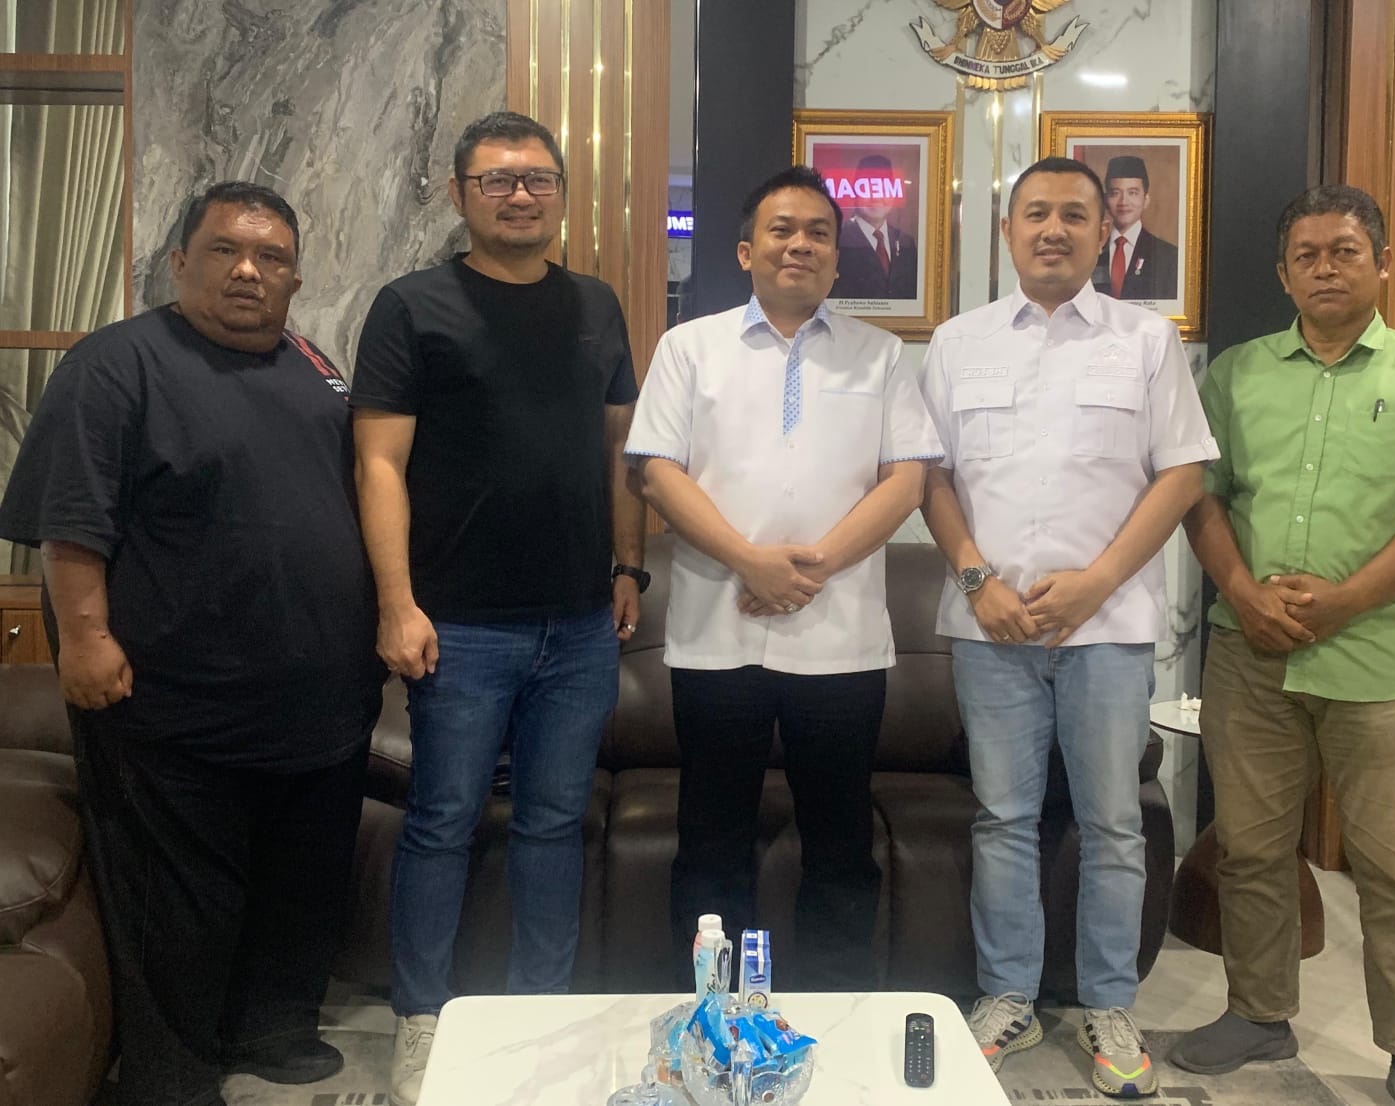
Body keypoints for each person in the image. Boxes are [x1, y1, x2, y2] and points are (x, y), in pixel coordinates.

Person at [0, 181, 385, 1106]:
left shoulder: (313, 366)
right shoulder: (114, 365)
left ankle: (275, 1029)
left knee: (300, 880)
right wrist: (84, 639)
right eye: (225, 250)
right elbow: (71, 521)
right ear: (179, 262)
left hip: (316, 702)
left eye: (272, 257)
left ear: (295, 278)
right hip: (173, 702)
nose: (249, 271)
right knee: (177, 898)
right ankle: (172, 1073)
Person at [349, 110, 643, 1106]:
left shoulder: (596, 305)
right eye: (497, 180)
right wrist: (396, 602)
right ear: (459, 194)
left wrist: (630, 566)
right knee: (441, 821)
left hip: (579, 624)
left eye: (537, 178)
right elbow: (378, 463)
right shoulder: (412, 306)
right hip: (461, 624)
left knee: (554, 825)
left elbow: (618, 447)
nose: (520, 194)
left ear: (560, 191)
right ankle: (422, 1017)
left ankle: (538, 1013)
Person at [1169, 185, 1395, 1106]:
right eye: (1305, 255)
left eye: (1344, 251)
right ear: (1283, 274)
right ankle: (1258, 1011)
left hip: (1377, 663)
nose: (1324, 268)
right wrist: (1240, 593)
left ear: (1381, 263)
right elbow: (1200, 496)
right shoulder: (1236, 374)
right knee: (1250, 850)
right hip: (1250, 654)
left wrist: (1343, 601)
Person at [919, 156, 1217, 1098]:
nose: (1053, 229)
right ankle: (1005, 994)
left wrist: (1096, 583)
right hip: (991, 629)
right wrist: (977, 581)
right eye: (1036, 213)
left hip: (1109, 627)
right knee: (1002, 818)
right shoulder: (956, 342)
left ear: (1102, 233)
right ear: (1006, 231)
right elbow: (928, 476)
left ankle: (1108, 1003)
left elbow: (1182, 473)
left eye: (1074, 216)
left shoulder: (1146, 340)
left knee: (1114, 824)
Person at [625, 165, 942, 989]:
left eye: (817, 233)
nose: (799, 244)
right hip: (716, 634)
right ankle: (712, 1011)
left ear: (836, 257)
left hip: (840, 642)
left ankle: (839, 1006)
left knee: (839, 841)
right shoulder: (689, 348)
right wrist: (749, 561)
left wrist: (812, 569)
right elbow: (655, 471)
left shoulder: (880, 354)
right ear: (745, 251)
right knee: (711, 841)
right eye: (781, 229)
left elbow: (907, 478)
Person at [833, 154, 920, 300]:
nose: (876, 197)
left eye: (883, 188)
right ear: (855, 193)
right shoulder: (838, 239)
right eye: (867, 188)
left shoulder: (906, 242)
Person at [1092, 155, 1178, 302]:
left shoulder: (1168, 256)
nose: (1123, 202)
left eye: (1132, 193)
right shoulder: (1091, 251)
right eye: (1115, 193)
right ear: (1106, 200)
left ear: (1146, 200)